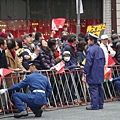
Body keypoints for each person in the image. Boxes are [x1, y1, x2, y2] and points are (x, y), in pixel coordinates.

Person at [83, 33, 105, 110]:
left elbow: (88, 62)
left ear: (92, 40)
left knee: (93, 88)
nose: (88, 41)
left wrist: (85, 71)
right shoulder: (100, 49)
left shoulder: (90, 50)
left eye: (89, 40)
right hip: (100, 71)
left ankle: (95, 105)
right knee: (99, 88)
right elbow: (104, 61)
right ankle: (100, 104)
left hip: (92, 71)